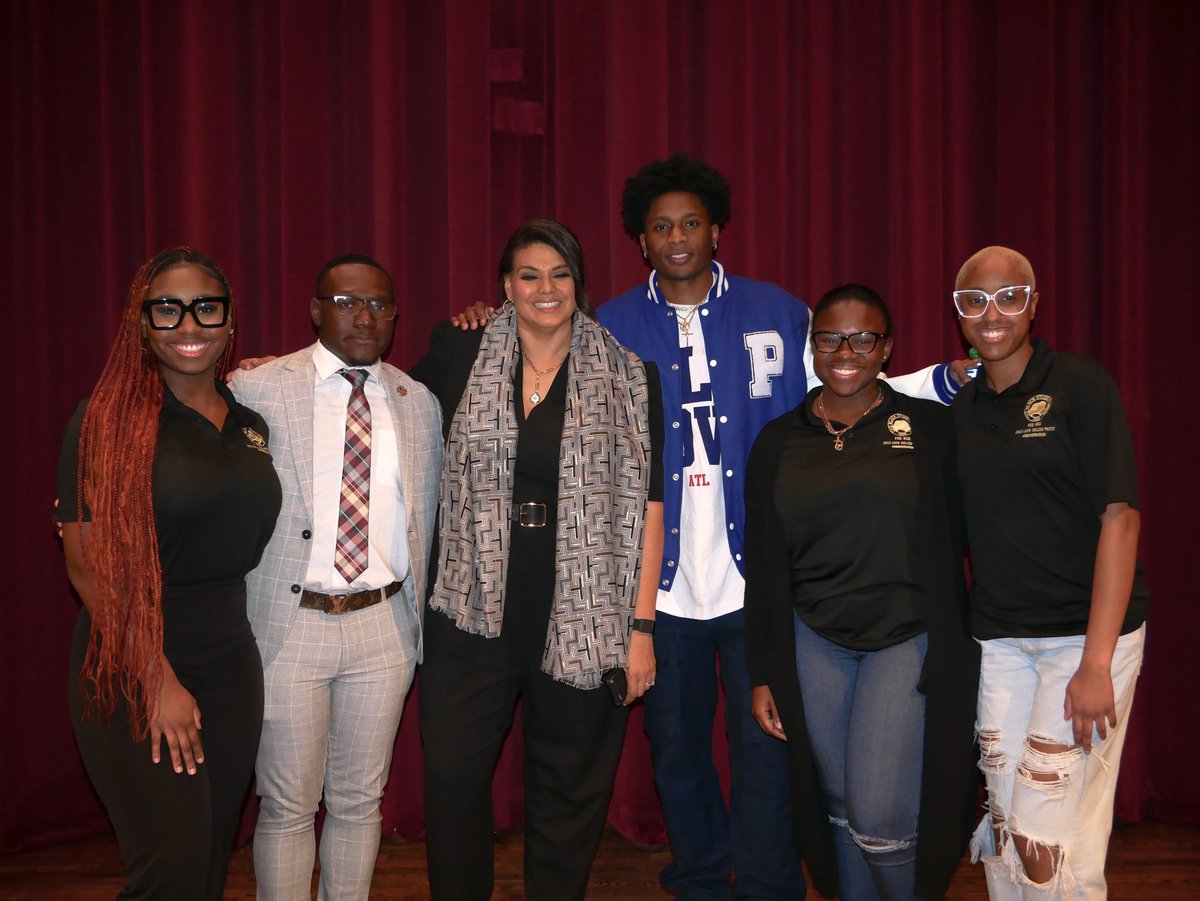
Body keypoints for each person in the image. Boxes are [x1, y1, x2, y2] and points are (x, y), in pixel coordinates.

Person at [451, 156, 964, 899]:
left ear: (716, 229)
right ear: (641, 241)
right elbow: (536, 354)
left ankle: (767, 881)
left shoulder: (778, 311)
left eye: (691, 221)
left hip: (757, 579)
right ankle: (698, 875)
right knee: (676, 748)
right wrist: (481, 319)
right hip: (658, 587)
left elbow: (850, 380)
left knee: (766, 746)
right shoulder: (612, 327)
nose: (678, 236)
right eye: (661, 226)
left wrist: (947, 380)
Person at [412, 218, 665, 901]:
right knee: (454, 777)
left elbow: (649, 505)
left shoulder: (630, 375)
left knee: (568, 789)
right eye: (529, 274)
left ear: (578, 283)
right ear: (505, 285)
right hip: (470, 611)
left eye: (559, 273)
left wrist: (640, 630)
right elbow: (387, 405)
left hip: (584, 612)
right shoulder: (459, 352)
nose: (545, 287)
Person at [56, 247, 282, 900]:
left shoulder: (249, 423)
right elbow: (84, 562)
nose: (190, 324)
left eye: (206, 307)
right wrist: (155, 676)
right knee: (173, 873)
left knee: (209, 859)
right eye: (169, 309)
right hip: (132, 656)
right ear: (142, 323)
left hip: (232, 662)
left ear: (229, 319)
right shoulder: (104, 422)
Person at [743, 284, 979, 900]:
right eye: (829, 338)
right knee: (841, 807)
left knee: (879, 819)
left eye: (863, 338)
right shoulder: (777, 442)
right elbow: (766, 569)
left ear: (886, 349)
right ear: (811, 347)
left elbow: (983, 522)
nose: (845, 351)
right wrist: (766, 670)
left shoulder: (931, 429)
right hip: (813, 641)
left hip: (905, 639)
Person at [227, 254, 442, 900]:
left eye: (378, 303)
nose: (364, 315)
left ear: (396, 317)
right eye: (346, 301)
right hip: (290, 627)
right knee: (288, 804)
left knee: (359, 801)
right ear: (316, 309)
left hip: (384, 627)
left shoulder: (418, 402)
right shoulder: (258, 389)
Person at [952, 247, 1148, 900]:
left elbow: (1119, 518)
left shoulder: (1080, 385)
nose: (993, 312)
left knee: (1047, 839)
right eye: (975, 300)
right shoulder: (964, 408)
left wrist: (1096, 662)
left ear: (1034, 303)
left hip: (1083, 640)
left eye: (1009, 296)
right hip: (1002, 641)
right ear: (959, 314)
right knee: (1010, 824)